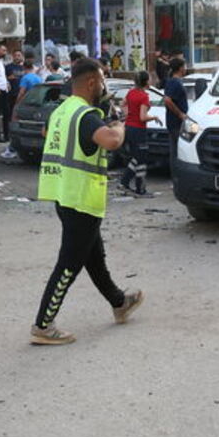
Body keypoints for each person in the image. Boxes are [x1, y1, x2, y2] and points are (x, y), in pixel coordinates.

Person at [30, 58, 143, 345]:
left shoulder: (62, 110)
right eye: (103, 80)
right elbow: (112, 141)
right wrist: (119, 124)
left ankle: (119, 303)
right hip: (82, 197)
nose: (104, 86)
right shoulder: (86, 115)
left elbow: (47, 133)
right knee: (69, 264)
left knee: (94, 258)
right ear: (92, 82)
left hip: (64, 194)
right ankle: (43, 325)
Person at [119, 71, 160, 197]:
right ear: (146, 81)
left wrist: (127, 114)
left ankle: (124, 183)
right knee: (141, 159)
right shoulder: (144, 97)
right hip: (139, 130)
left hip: (129, 128)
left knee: (136, 157)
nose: (151, 81)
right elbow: (142, 117)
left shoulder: (131, 92)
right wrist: (154, 117)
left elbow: (122, 104)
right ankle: (140, 189)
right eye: (150, 79)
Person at [162, 58, 189, 164]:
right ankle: (176, 174)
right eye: (185, 66)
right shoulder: (174, 82)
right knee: (177, 150)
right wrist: (180, 114)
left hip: (176, 122)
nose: (186, 69)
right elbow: (167, 100)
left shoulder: (175, 81)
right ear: (180, 68)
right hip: (176, 123)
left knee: (177, 149)